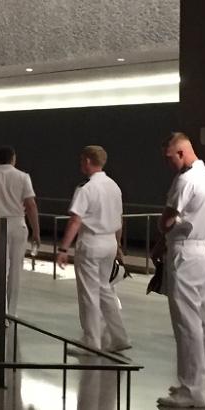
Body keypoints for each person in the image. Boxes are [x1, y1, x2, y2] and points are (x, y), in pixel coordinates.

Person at [153, 132, 205, 408]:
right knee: (202, 320)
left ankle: (191, 390)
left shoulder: (186, 180)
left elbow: (167, 219)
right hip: (204, 251)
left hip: (185, 252)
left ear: (181, 152)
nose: (168, 163)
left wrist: (162, 227)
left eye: (169, 157)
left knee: (186, 323)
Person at [55, 146, 130, 353]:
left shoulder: (86, 188)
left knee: (88, 292)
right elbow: (120, 219)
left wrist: (63, 248)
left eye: (82, 159)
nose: (80, 163)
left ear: (88, 161)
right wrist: (118, 245)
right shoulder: (114, 186)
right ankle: (119, 337)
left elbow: (75, 220)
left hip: (91, 242)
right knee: (105, 290)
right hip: (110, 242)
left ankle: (92, 341)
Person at [0, 146, 41, 316]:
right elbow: (31, 205)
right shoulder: (23, 177)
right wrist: (36, 231)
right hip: (18, 223)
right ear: (13, 158)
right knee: (15, 270)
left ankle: (0, 310)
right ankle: (12, 312)